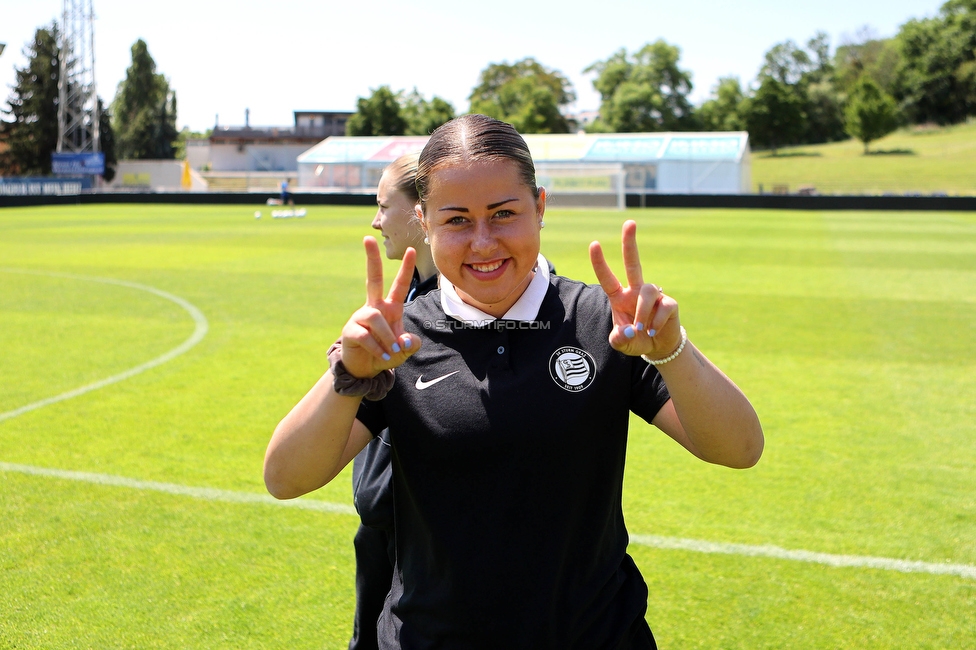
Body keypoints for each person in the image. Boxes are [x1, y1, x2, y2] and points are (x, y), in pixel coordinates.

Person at [264, 114, 764, 649]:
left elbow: (739, 448)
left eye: (504, 214)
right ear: (425, 221)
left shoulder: (607, 321)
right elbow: (286, 479)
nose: (483, 242)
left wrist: (673, 352)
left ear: (540, 208)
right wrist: (348, 375)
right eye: (456, 220)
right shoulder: (397, 338)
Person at [350, 151, 436, 650]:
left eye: (384, 206)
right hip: (382, 537)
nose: (376, 219)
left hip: (425, 543)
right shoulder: (395, 305)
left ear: (420, 213)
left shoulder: (462, 310)